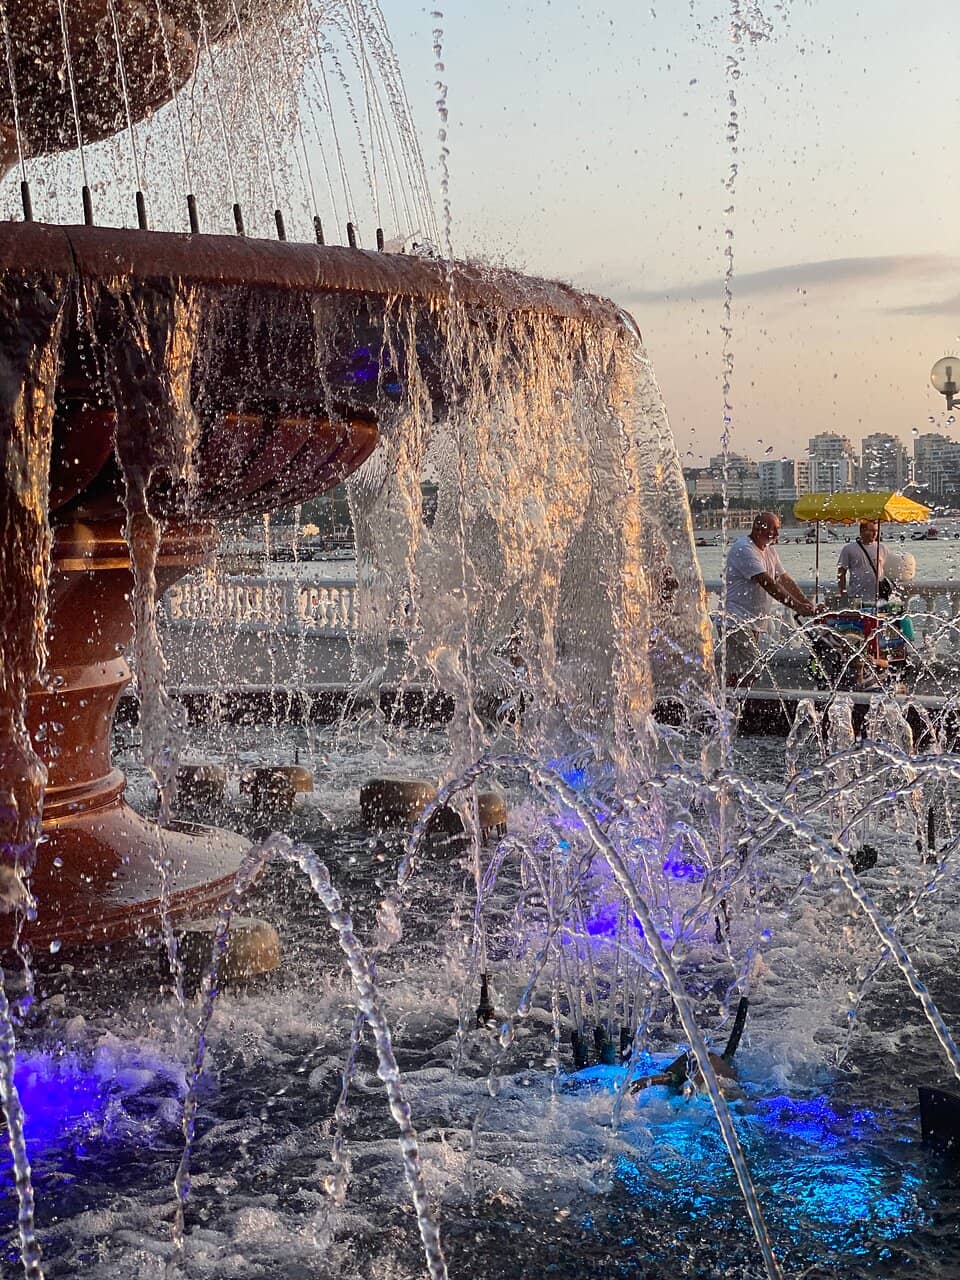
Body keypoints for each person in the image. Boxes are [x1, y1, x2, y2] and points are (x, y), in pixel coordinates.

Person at [723, 512, 817, 685]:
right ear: (758, 528)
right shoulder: (744, 549)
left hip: (754, 622)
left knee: (739, 672)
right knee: (753, 668)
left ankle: (734, 705)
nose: (777, 534)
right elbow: (769, 584)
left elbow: (784, 579)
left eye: (778, 529)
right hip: (736, 621)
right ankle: (737, 704)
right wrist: (797, 607)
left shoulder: (769, 550)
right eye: (773, 529)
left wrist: (806, 602)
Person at [837, 520, 888, 602]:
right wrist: (843, 591)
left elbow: (886, 569)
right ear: (862, 531)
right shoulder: (849, 549)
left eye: (876, 531)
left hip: (879, 596)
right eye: (871, 531)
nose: (874, 534)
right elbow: (841, 572)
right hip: (858, 595)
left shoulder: (882, 548)